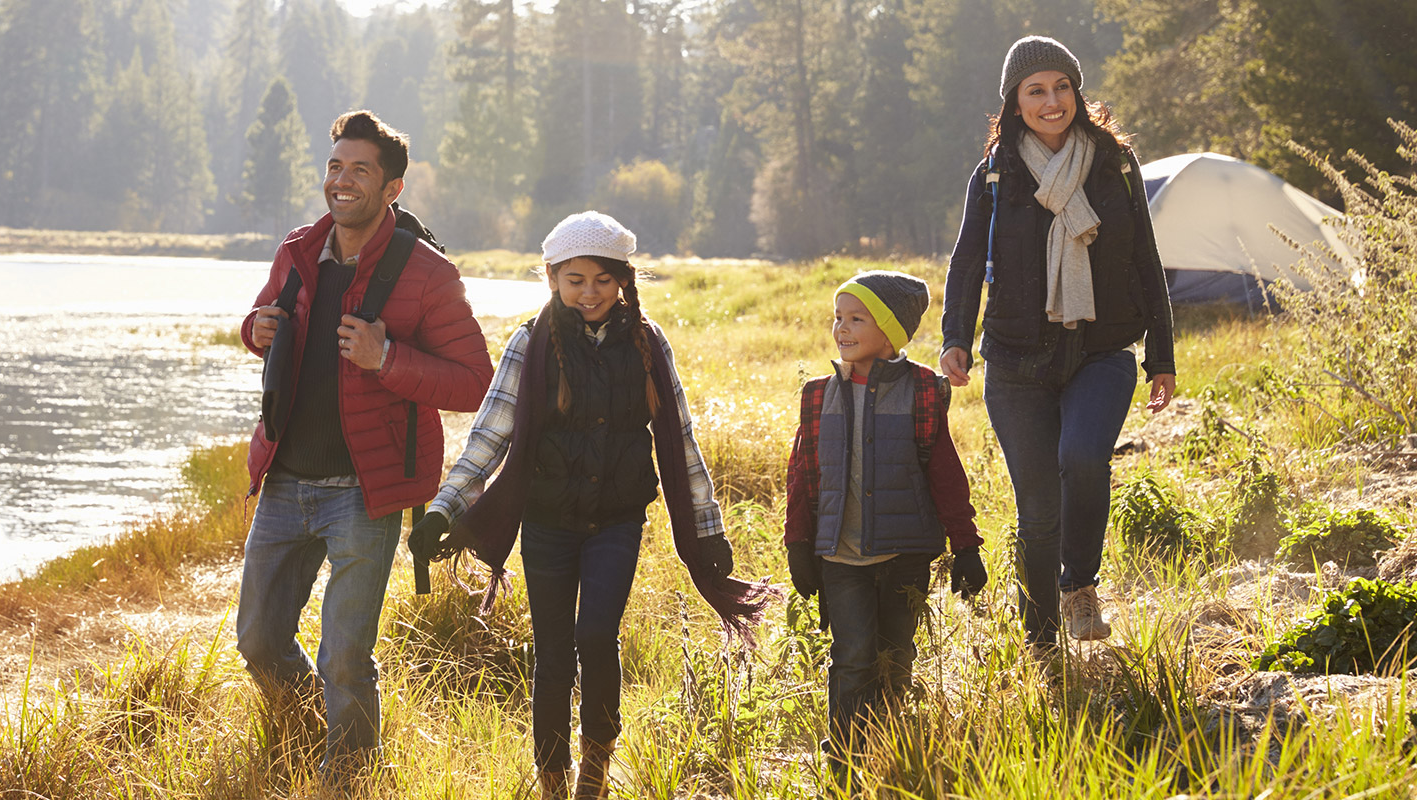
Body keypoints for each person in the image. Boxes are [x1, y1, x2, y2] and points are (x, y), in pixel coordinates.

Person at [410, 212, 767, 800]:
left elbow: (680, 439)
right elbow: (490, 435)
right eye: (576, 279)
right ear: (552, 277)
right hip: (546, 523)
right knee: (551, 654)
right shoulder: (531, 341)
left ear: (624, 279)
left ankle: (596, 768)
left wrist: (708, 530)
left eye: (603, 280)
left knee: (597, 636)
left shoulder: (647, 343)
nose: (590, 292)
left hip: (616, 522)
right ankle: (553, 779)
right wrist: (445, 509)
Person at [236, 110, 493, 781]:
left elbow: (476, 383)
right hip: (286, 479)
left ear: (393, 188)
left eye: (360, 171)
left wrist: (388, 360)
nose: (341, 181)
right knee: (259, 640)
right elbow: (263, 319)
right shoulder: (297, 250)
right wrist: (253, 329)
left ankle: (347, 776)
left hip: (366, 492)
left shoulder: (430, 275)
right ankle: (302, 731)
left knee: (344, 655)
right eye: (334, 166)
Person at [939, 36, 1177, 652]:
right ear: (1015, 102)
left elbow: (1146, 260)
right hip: (1017, 360)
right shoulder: (996, 173)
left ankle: (1080, 590)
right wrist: (955, 338)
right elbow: (967, 262)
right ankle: (1041, 639)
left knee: (1083, 458)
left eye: (1062, 87)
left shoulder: (1114, 164)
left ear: (1078, 92)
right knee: (1038, 506)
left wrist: (1163, 357)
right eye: (1036, 90)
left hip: (1100, 350)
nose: (1052, 101)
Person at [783, 270, 984, 775]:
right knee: (851, 658)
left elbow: (944, 474)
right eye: (838, 317)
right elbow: (802, 474)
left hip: (904, 556)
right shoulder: (817, 394)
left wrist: (966, 546)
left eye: (857, 318)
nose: (842, 328)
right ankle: (845, 766)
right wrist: (798, 545)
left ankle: (890, 757)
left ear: (892, 331)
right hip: (839, 557)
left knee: (896, 657)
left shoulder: (923, 391)